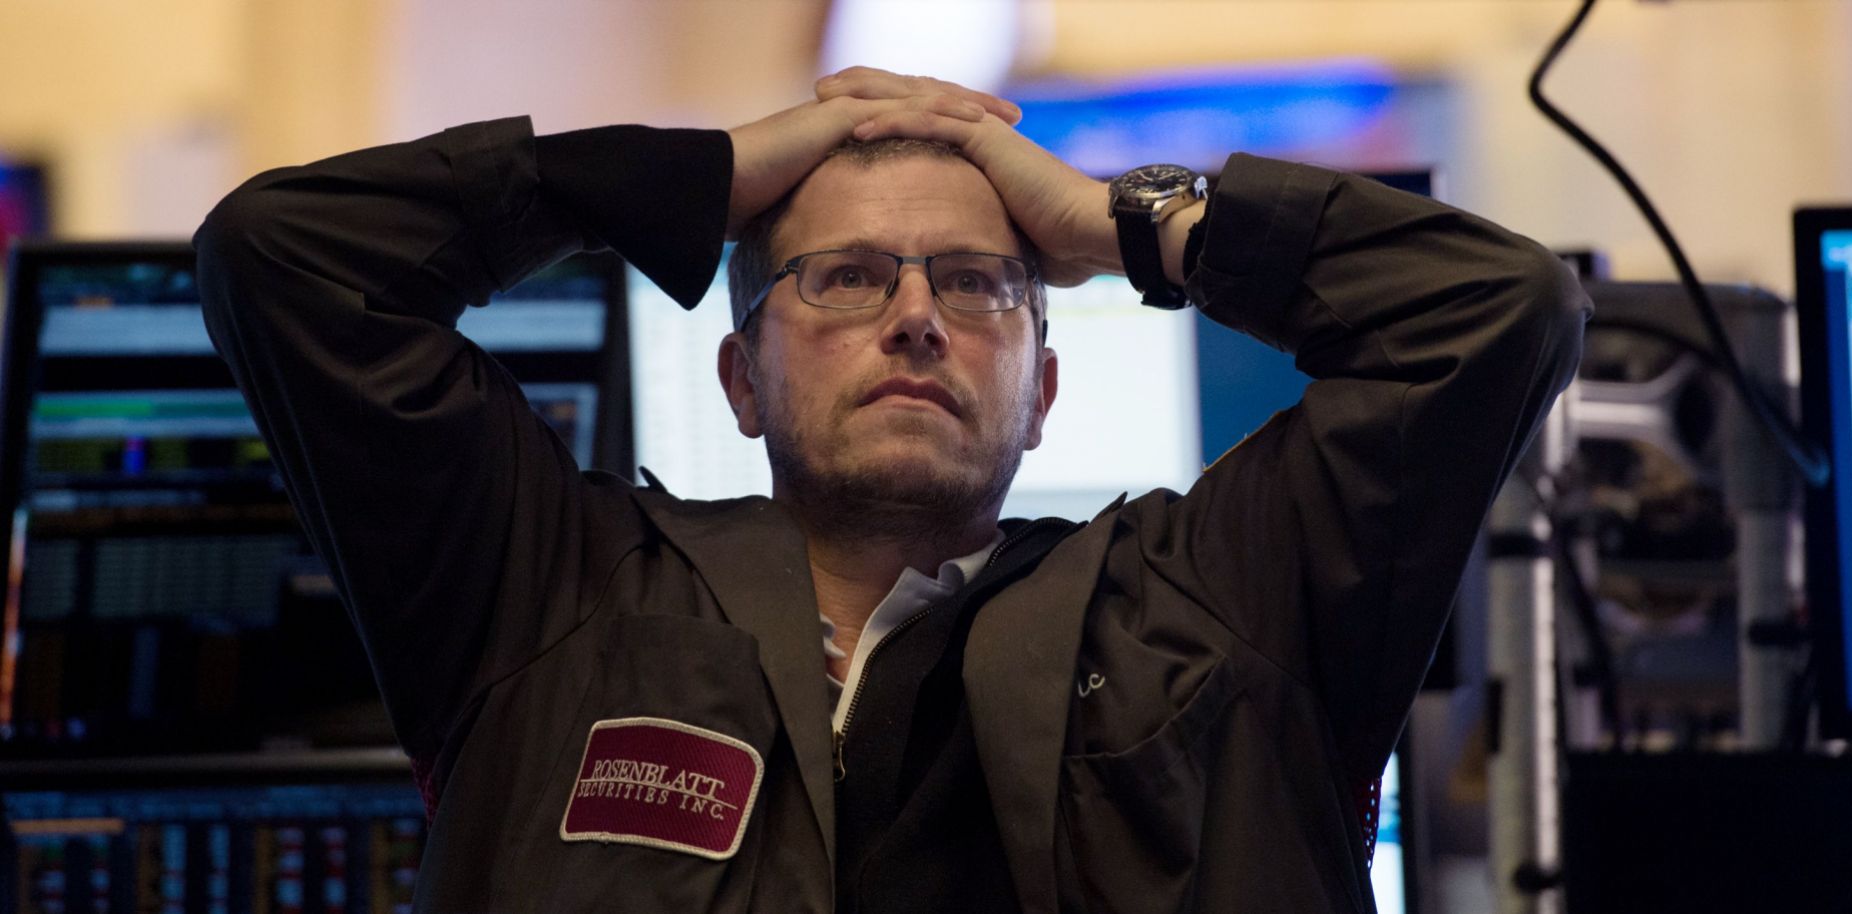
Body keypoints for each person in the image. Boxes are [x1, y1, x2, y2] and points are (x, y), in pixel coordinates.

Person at [195, 67, 1588, 914]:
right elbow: (284, 260)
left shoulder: (1219, 610)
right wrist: (705, 174)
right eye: (847, 276)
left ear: (1044, 393)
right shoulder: (548, 598)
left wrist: (1123, 221)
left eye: (981, 282)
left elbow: (1493, 310)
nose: (917, 317)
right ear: (739, 382)